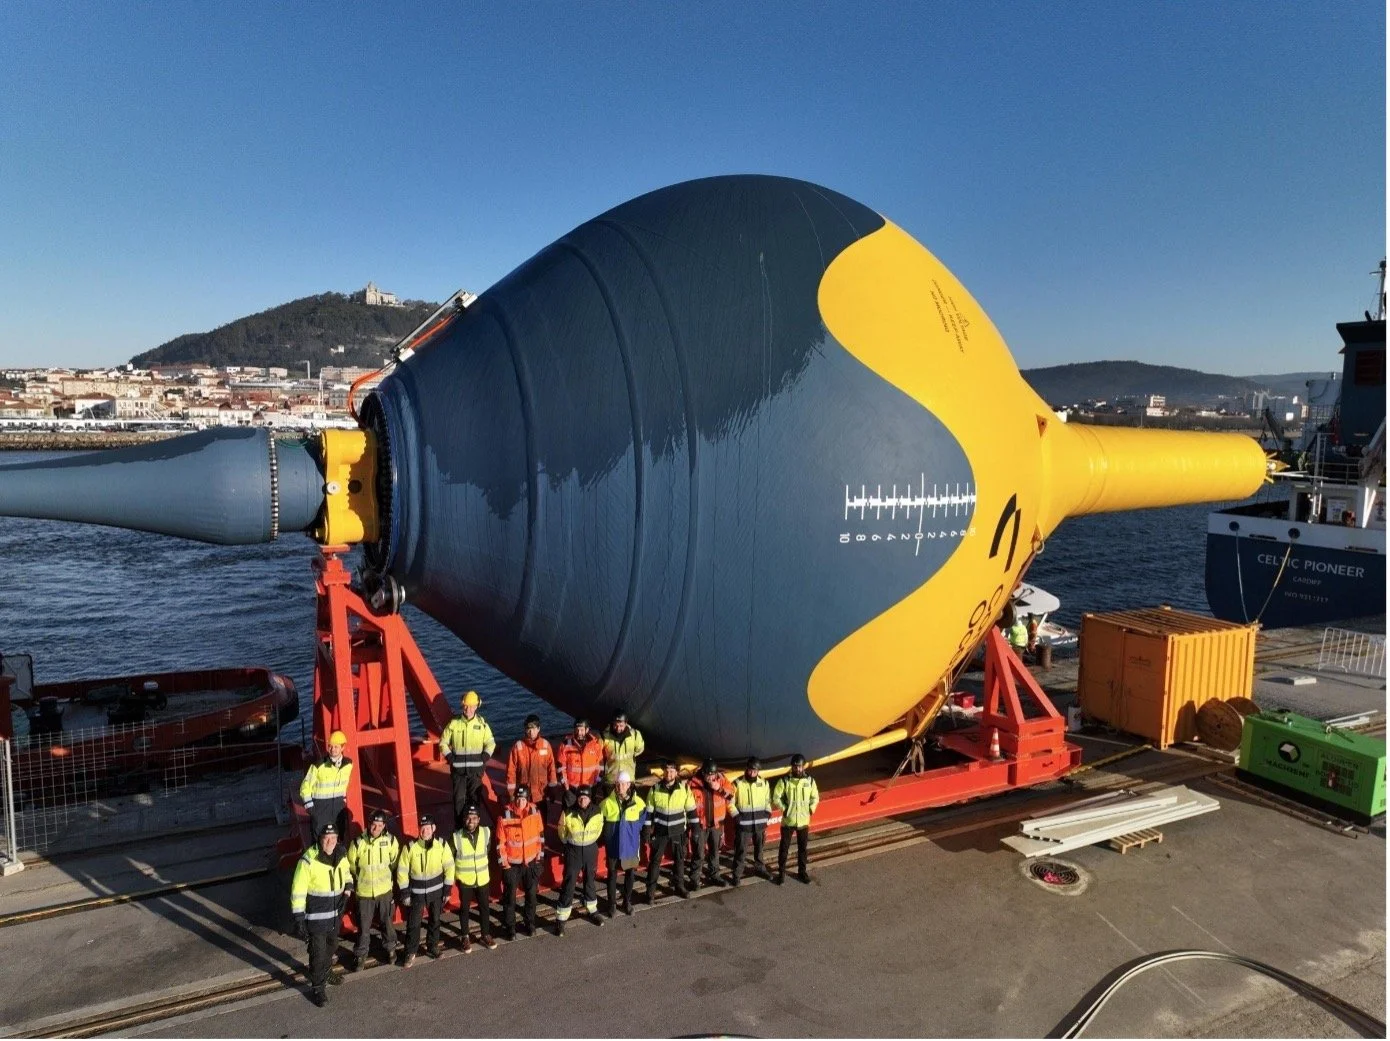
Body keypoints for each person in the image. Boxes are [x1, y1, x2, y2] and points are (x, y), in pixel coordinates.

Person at [289, 822, 353, 1007]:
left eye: (333, 838)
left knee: (332, 945)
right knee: (318, 953)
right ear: (320, 839)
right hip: (316, 917)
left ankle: (325, 972)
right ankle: (318, 987)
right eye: (326, 839)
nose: (330, 842)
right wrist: (299, 917)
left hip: (334, 914)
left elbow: (347, 873)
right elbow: (298, 890)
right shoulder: (308, 860)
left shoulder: (340, 855)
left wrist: (348, 890)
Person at [396, 814, 454, 968]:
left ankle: (433, 946)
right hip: (417, 893)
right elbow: (402, 872)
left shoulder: (441, 844)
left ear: (433, 829)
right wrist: (405, 893)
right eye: (422, 828)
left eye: (428, 828)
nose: (425, 831)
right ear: (419, 830)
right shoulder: (409, 847)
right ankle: (410, 952)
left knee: (435, 921)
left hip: (437, 892)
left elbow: (449, 867)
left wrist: (447, 890)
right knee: (413, 924)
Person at [344, 809, 399, 971]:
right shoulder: (357, 843)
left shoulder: (390, 841)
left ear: (384, 826)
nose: (376, 828)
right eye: (373, 824)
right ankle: (361, 955)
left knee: (387, 923)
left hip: (384, 892)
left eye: (379, 825)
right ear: (369, 824)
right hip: (365, 893)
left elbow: (394, 862)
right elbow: (351, 865)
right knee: (363, 927)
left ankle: (391, 950)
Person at [554, 785, 605, 936]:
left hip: (590, 850)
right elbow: (562, 833)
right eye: (580, 797)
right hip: (573, 850)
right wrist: (570, 843)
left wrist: (590, 842)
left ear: (590, 798)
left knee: (590, 880)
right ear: (577, 798)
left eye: (586, 797)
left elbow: (599, 828)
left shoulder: (597, 811)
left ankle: (592, 910)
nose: (583, 800)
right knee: (569, 883)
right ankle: (561, 919)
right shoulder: (568, 812)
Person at [439, 691, 496, 824]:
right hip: (458, 772)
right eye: (465, 706)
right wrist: (450, 758)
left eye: (471, 706)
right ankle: (459, 828)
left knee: (474, 800)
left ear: (476, 706)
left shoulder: (482, 725)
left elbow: (491, 743)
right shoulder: (454, 724)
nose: (468, 709)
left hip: (476, 772)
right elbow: (443, 742)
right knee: (459, 800)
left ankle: (473, 827)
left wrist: (484, 758)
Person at [496, 784, 545, 939]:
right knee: (510, 898)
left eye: (523, 799)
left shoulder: (535, 812)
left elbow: (540, 838)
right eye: (518, 799)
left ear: (527, 799)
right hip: (513, 865)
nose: (520, 802)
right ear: (514, 798)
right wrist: (506, 867)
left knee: (531, 896)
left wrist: (539, 860)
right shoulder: (505, 815)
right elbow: (500, 844)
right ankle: (510, 927)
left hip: (530, 863)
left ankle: (530, 923)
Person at [645, 760, 694, 902]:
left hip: (678, 831)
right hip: (660, 831)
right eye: (667, 771)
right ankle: (651, 891)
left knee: (679, 860)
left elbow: (691, 810)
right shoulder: (655, 789)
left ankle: (679, 886)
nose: (669, 773)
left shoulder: (684, 789)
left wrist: (694, 829)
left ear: (676, 773)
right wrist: (647, 830)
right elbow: (649, 812)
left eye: (672, 771)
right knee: (655, 861)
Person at [450, 803, 497, 953]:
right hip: (465, 879)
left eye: (474, 818)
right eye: (469, 818)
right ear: (464, 819)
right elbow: (450, 859)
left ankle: (485, 934)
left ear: (479, 819)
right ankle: (465, 937)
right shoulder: (456, 837)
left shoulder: (486, 832)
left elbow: (487, 849)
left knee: (484, 908)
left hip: (482, 878)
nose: (471, 821)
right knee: (464, 909)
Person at [599, 770, 646, 916]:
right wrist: (605, 837)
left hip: (630, 844)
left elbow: (644, 819)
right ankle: (612, 904)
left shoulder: (638, 802)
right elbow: (599, 822)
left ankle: (627, 902)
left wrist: (636, 831)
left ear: (629, 785)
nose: (620, 787)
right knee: (612, 874)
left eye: (623, 784)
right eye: (618, 784)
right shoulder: (606, 803)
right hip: (613, 844)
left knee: (629, 873)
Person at [687, 758, 735, 889]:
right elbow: (686, 804)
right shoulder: (692, 783)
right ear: (703, 773)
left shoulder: (721, 780)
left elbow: (732, 794)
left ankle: (714, 875)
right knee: (699, 853)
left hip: (716, 824)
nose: (711, 777)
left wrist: (719, 788)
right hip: (700, 825)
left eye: (713, 774)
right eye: (708, 774)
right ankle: (694, 879)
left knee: (715, 851)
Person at [772, 753, 820, 885]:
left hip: (803, 822)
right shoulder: (784, 781)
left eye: (800, 767)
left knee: (803, 849)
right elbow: (776, 797)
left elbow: (815, 798)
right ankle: (781, 873)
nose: (798, 769)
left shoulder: (810, 781)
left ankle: (802, 872)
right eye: (795, 767)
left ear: (803, 767)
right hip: (788, 821)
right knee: (784, 849)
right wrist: (785, 809)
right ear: (792, 767)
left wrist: (811, 809)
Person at [299, 730, 353, 839]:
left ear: (342, 748)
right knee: (319, 839)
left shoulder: (349, 764)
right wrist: (311, 808)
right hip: (320, 808)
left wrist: (343, 801)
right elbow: (305, 787)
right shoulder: (318, 765)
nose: (333, 750)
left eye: (336, 747)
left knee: (339, 836)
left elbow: (347, 784)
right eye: (330, 746)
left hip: (338, 807)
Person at [729, 757, 772, 885]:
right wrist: (737, 817)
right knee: (741, 851)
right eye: (751, 770)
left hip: (760, 824)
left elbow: (767, 801)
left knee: (759, 849)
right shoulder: (737, 784)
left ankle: (760, 869)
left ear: (758, 771)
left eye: (755, 770)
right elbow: (730, 803)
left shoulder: (764, 783)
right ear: (746, 769)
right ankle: (736, 874)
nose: (753, 772)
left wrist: (767, 815)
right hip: (744, 825)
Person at [506, 714, 557, 814]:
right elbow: (510, 771)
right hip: (524, 796)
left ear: (538, 729)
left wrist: (553, 790)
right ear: (525, 730)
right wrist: (512, 794)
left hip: (541, 794)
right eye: (528, 729)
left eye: (533, 728)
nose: (531, 732)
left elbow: (552, 769)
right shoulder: (518, 747)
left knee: (541, 822)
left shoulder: (545, 745)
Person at [557, 717, 604, 805]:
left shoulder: (595, 745)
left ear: (587, 730)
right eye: (577, 730)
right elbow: (560, 768)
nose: (579, 733)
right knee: (569, 816)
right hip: (572, 790)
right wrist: (566, 788)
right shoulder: (565, 745)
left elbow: (600, 767)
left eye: (582, 730)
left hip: (589, 789)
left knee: (589, 816)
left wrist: (596, 784)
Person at [601, 710, 645, 791]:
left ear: (626, 723)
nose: (618, 728)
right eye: (615, 725)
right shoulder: (604, 736)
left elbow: (640, 749)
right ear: (612, 723)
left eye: (621, 725)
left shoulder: (635, 735)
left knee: (628, 801)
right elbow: (599, 754)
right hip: (611, 780)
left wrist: (631, 755)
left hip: (628, 779)